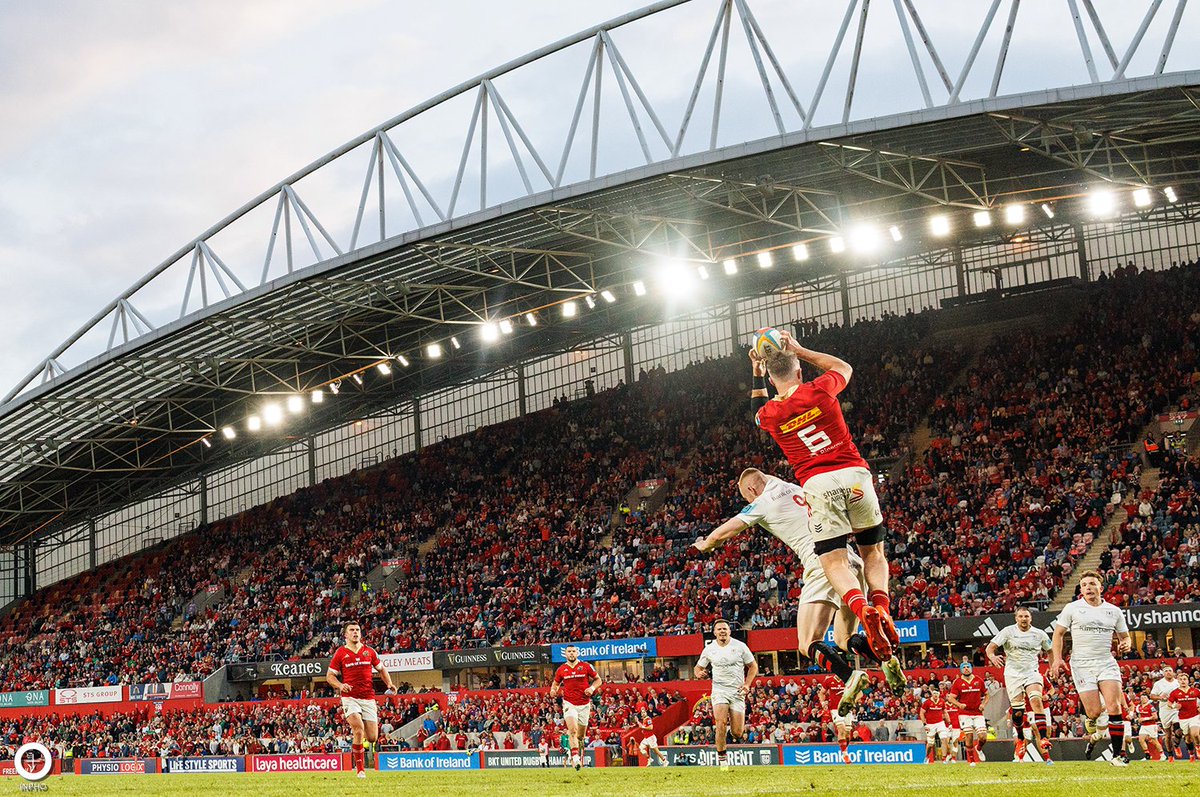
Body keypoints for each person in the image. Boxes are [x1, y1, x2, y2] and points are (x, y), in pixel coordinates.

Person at [691, 469, 906, 712]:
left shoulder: (763, 501)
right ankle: (886, 660)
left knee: (808, 643)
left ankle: (850, 677)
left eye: (747, 497)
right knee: (844, 638)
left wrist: (705, 544)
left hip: (823, 564)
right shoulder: (795, 488)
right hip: (851, 561)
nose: (749, 501)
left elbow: (725, 532)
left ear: (751, 490)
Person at [750, 335, 898, 661]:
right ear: (800, 371)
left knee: (834, 561)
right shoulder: (819, 389)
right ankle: (881, 607)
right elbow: (844, 367)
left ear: (772, 380)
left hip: (818, 484)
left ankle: (862, 610)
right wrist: (800, 350)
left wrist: (757, 371)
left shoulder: (772, 413)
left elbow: (756, 412)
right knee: (873, 552)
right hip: (854, 475)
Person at [1049, 570, 1132, 766]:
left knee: (1115, 706)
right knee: (1094, 712)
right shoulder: (1072, 608)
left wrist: (1126, 644)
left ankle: (1118, 756)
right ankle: (1097, 720)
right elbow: (1058, 634)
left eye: (1092, 584)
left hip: (1106, 662)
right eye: (1084, 585)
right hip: (1082, 664)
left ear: (1100, 588)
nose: (1088, 587)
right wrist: (1057, 659)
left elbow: (1125, 636)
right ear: (1081, 589)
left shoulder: (1114, 611)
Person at [326, 620, 396, 778]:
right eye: (351, 630)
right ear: (345, 634)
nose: (355, 632)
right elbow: (329, 676)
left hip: (368, 698)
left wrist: (389, 683)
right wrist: (340, 685)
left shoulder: (369, 651)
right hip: (350, 697)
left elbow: (381, 669)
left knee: (372, 737)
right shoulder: (340, 653)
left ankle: (359, 745)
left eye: (357, 629)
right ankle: (360, 770)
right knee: (358, 729)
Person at [985, 607, 1052, 762]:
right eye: (1020, 616)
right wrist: (992, 657)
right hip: (1013, 674)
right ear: (1016, 618)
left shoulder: (1040, 634)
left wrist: (1053, 665)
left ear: (1030, 618)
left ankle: (1043, 738)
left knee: (1036, 700)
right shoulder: (1008, 632)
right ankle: (1020, 737)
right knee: (1018, 712)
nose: (1023, 619)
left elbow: (1050, 650)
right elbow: (990, 648)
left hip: (1032, 672)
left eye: (1026, 616)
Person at [694, 619, 757, 771]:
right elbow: (697, 667)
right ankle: (722, 760)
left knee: (737, 733)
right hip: (719, 690)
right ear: (714, 632)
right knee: (720, 722)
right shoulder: (709, 649)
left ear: (729, 631)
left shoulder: (740, 646)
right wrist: (698, 673)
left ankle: (729, 734)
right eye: (719, 629)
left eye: (724, 629)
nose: (722, 631)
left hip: (737, 691)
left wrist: (747, 684)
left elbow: (753, 666)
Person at [550, 645, 602, 771]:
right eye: (569, 651)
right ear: (565, 654)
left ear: (577, 653)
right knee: (572, 730)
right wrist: (553, 690)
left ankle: (578, 753)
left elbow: (598, 680)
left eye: (573, 651)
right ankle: (575, 757)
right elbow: (556, 683)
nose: (571, 653)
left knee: (580, 736)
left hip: (584, 704)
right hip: (569, 703)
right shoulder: (561, 669)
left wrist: (592, 688)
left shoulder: (586, 666)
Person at [947, 662, 989, 766]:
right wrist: (959, 704)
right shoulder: (957, 682)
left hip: (978, 713)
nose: (966, 669)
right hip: (964, 713)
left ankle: (978, 748)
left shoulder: (978, 680)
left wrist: (983, 704)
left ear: (971, 668)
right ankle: (972, 761)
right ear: (961, 670)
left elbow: (987, 694)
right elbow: (951, 698)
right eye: (964, 667)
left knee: (983, 737)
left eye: (968, 667)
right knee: (969, 737)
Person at [1150, 665, 1182, 761]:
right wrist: (1160, 697)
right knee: (1168, 734)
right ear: (1163, 673)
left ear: (1173, 672)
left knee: (1178, 729)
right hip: (1165, 709)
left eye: (1170, 670)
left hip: (1176, 708)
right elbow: (1152, 696)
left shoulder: (1178, 682)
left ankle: (1176, 745)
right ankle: (1170, 755)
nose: (1168, 672)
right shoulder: (1159, 684)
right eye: (1166, 671)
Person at [1169, 673, 1200, 762]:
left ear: (1188, 680)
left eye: (1184, 679)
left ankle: (1198, 747)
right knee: (1188, 738)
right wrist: (1174, 706)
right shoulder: (1175, 692)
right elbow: (1169, 703)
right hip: (1183, 718)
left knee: (1195, 734)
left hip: (1194, 716)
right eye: (1181, 679)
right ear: (1178, 681)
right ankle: (1191, 755)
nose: (1183, 681)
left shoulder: (1195, 691)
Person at [920, 687, 950, 764]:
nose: (935, 695)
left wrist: (949, 722)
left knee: (944, 739)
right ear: (932, 694)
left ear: (939, 694)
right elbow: (921, 713)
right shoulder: (927, 702)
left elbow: (945, 712)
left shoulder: (942, 701)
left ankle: (944, 759)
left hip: (940, 723)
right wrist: (924, 724)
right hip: (930, 724)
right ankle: (927, 757)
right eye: (934, 693)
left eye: (937, 693)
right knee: (930, 744)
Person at [1134, 692, 1163, 761]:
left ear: (1147, 699)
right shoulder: (1139, 707)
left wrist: (1145, 719)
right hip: (1143, 726)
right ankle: (1147, 755)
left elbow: (1155, 717)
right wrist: (1138, 719)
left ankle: (1162, 754)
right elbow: (1139, 715)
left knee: (1154, 741)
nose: (1143, 699)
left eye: (1144, 698)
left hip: (1151, 725)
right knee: (1141, 740)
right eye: (1142, 698)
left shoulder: (1151, 707)